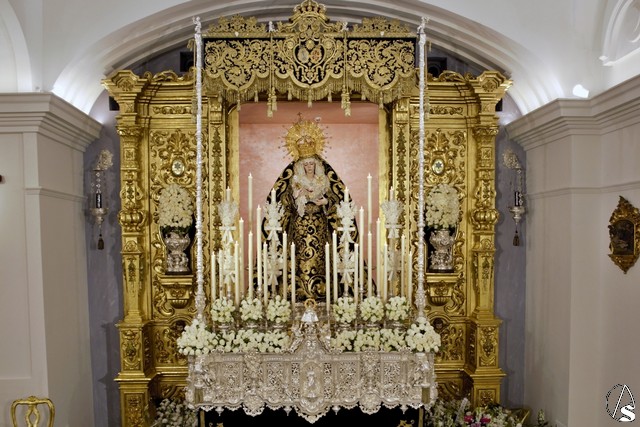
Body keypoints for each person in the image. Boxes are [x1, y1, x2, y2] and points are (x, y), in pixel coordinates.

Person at [264, 115, 356, 300]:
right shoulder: (294, 180)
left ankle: (323, 294)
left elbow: (337, 198)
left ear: (316, 165)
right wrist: (295, 197)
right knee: (298, 258)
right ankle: (297, 294)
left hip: (321, 227)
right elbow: (282, 202)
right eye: (305, 164)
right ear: (301, 166)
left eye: (311, 164)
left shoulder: (324, 180)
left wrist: (326, 203)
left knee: (323, 258)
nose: (309, 167)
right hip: (299, 227)